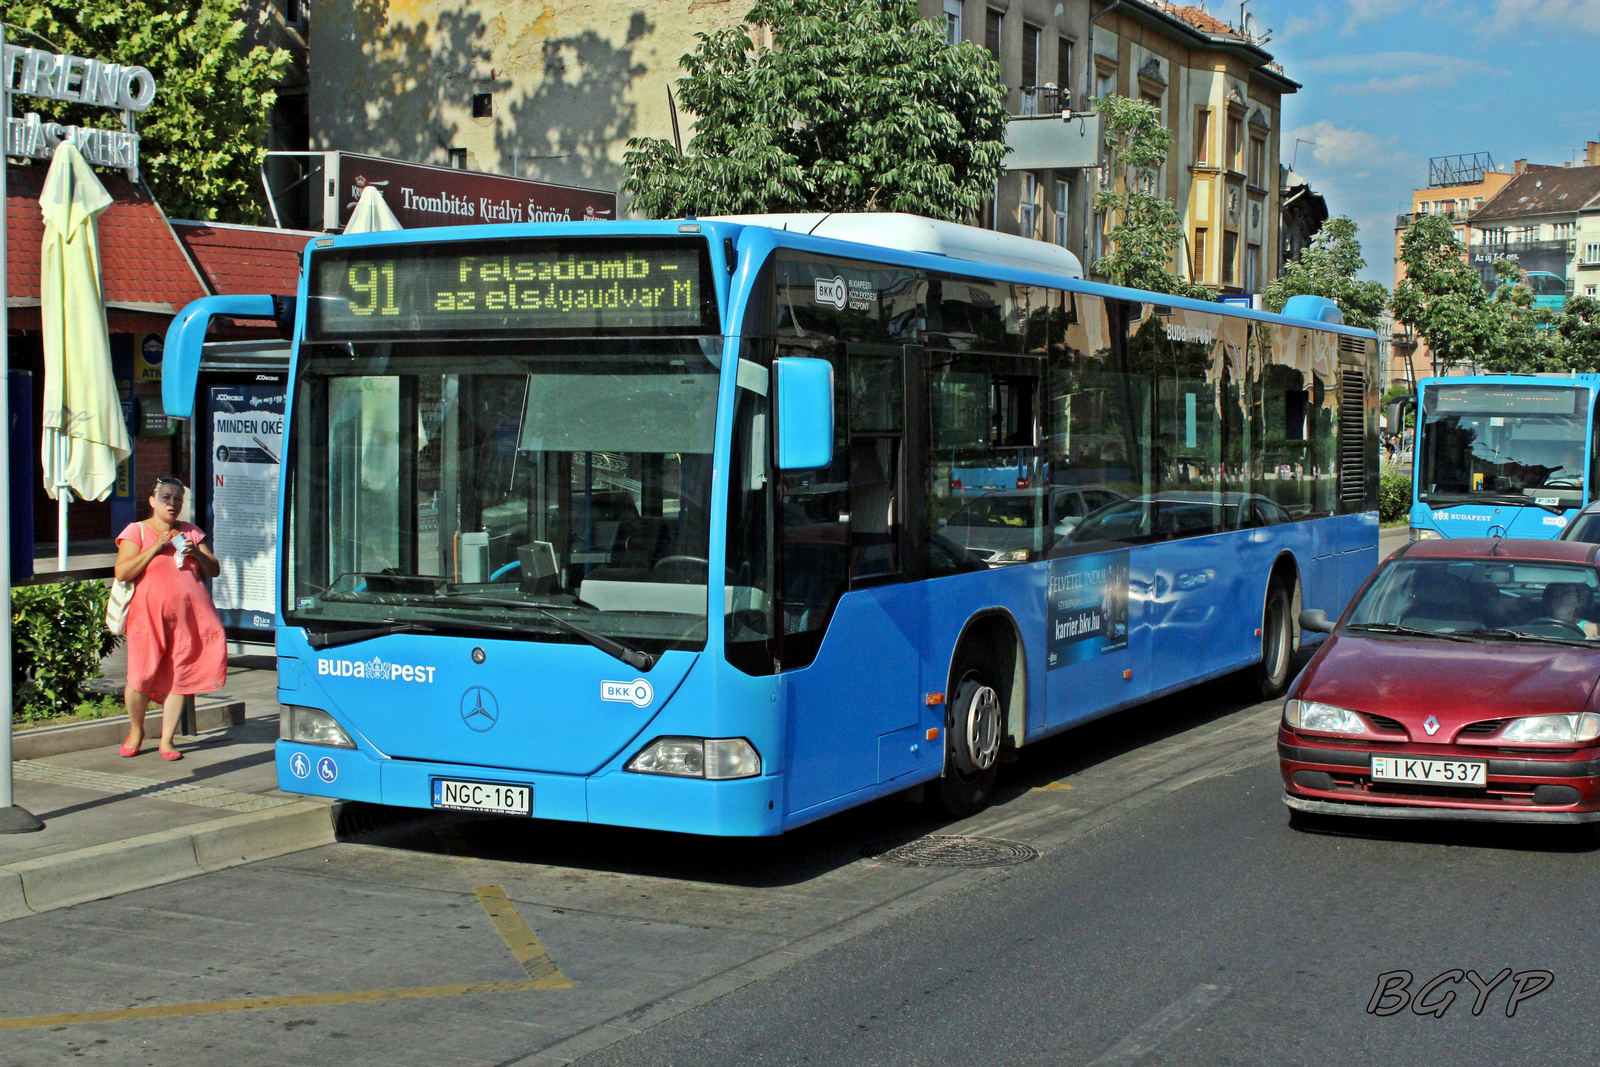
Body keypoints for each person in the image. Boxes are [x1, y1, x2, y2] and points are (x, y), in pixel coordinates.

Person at [113, 477, 226, 760]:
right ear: (152, 502)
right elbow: (122, 572)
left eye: (178, 499)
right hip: (148, 616)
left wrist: (196, 555)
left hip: (190, 616)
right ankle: (136, 731)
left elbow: (214, 569)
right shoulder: (136, 531)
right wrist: (155, 548)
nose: (172, 504)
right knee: (140, 676)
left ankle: (167, 740)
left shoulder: (190, 532)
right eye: (166, 498)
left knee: (180, 675)